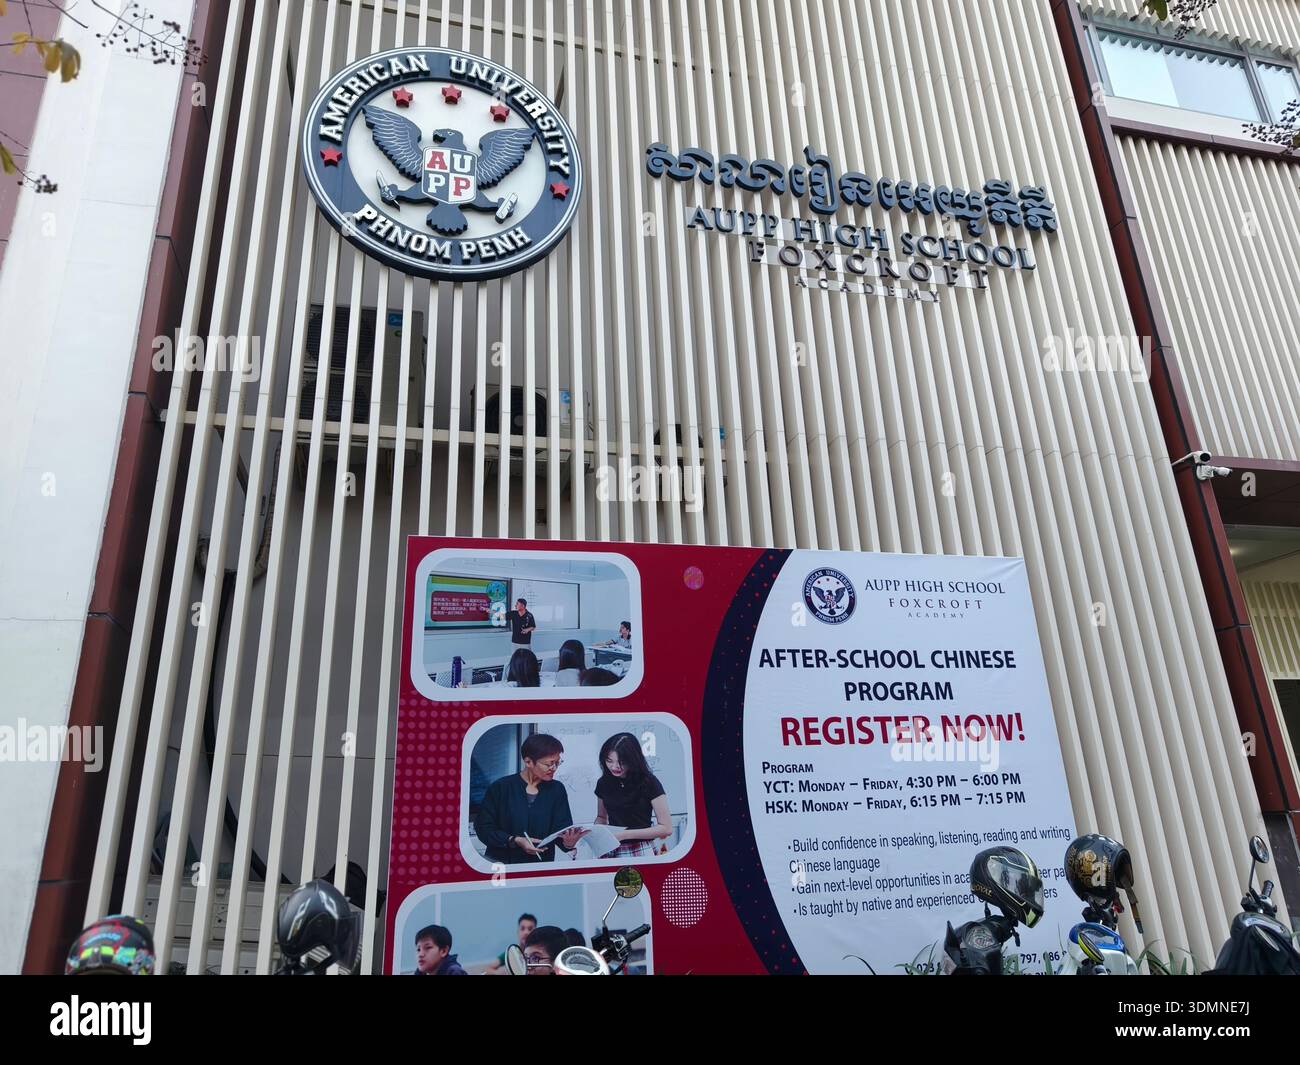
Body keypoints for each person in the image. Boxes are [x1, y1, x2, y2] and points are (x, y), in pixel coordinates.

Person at [473, 733, 588, 863]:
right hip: (502, 865)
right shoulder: (501, 787)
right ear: (528, 762)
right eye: (549, 764)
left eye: (557, 763)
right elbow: (484, 828)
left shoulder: (557, 789)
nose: (554, 768)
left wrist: (568, 843)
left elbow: (561, 831)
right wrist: (513, 840)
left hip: (539, 866)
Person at [595, 732, 673, 859]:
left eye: (621, 762)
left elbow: (666, 828)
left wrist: (625, 835)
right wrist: (595, 832)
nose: (614, 767)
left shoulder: (649, 782)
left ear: (633, 760)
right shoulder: (603, 782)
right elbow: (601, 817)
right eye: (609, 761)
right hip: (609, 847)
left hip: (640, 849)